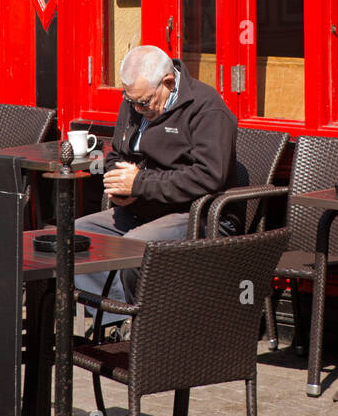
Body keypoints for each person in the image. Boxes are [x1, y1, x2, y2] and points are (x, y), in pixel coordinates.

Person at [75, 45, 237, 321]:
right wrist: (119, 184)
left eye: (144, 103)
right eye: (131, 101)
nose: (137, 109)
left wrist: (139, 184)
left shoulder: (206, 107)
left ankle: (149, 329)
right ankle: (117, 324)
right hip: (143, 207)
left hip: (195, 212)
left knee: (134, 246)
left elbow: (210, 175)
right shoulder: (135, 101)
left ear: (169, 83)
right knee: (78, 235)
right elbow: (116, 153)